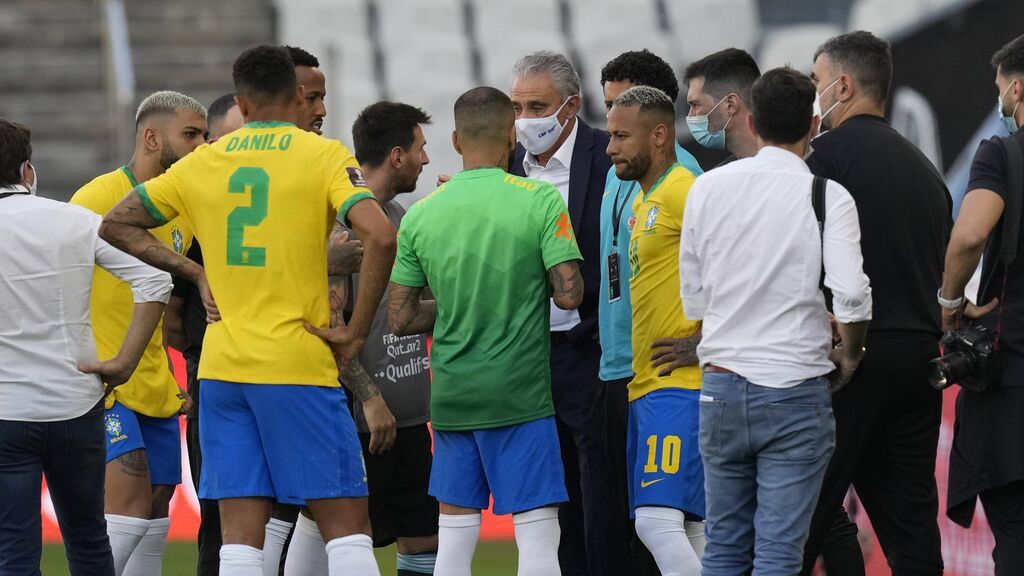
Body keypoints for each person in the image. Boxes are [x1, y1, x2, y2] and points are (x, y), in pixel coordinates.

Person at [97, 45, 397, 576]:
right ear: (298, 95)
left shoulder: (205, 162)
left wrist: (195, 271)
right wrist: (353, 330)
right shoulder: (321, 155)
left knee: (239, 539)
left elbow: (116, 222)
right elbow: (379, 234)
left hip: (222, 372)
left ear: (241, 100)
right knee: (347, 528)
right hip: (296, 366)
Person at [679, 67, 873, 576]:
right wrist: (850, 356)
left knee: (722, 548)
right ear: (813, 124)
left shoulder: (708, 188)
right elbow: (852, 295)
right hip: (795, 389)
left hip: (721, 386)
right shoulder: (828, 196)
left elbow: (694, 300)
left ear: (753, 120)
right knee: (780, 554)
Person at [386, 86, 583, 576]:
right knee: (537, 537)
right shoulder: (538, 200)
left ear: (455, 140)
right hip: (521, 396)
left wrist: (456, 306)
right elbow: (570, 294)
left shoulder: (423, 213)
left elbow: (400, 317)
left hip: (453, 398)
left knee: (453, 542)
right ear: (512, 139)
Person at [800, 31, 953, 576]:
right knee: (911, 532)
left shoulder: (819, 159)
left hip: (849, 357)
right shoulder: (928, 173)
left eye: (816, 83)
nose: (812, 96)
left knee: (798, 523)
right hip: (917, 359)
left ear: (842, 85)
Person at [0, 119, 171, 575]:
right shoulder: (75, 219)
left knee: (14, 554)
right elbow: (154, 280)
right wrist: (124, 362)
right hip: (76, 405)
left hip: (7, 412)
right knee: (90, 543)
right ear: (27, 170)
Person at [284, 102, 438, 576]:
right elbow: (328, 330)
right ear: (396, 155)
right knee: (340, 534)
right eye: (420, 148)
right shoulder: (344, 230)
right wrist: (369, 398)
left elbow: (412, 311)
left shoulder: (399, 215)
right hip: (360, 424)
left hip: (409, 419)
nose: (426, 160)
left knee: (422, 539)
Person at [69, 90, 206, 575]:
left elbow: (167, 306)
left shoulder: (183, 209)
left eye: (206, 135)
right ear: (151, 137)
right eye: (190, 134)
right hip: (104, 380)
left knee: (155, 509)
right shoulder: (96, 198)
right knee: (126, 500)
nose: (202, 145)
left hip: (154, 383)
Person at [508, 50, 618, 576]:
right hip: (527, 359)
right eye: (517, 106)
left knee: (599, 497)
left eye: (537, 105)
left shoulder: (608, 156)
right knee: (545, 504)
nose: (525, 119)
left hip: (591, 351)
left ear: (571, 106)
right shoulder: (504, 165)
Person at [598, 49, 704, 575]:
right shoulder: (644, 199)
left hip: (679, 384)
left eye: (621, 136)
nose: (609, 146)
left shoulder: (687, 190)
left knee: (655, 522)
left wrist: (704, 342)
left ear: (659, 136)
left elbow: (739, 269)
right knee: (693, 528)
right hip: (649, 383)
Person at [940, 33, 1024, 575]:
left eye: (1001, 92)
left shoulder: (1003, 151)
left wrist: (951, 301)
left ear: (1016, 88)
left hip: (1014, 377)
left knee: (1016, 535)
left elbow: (969, 235)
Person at [162, 92, 245, 576]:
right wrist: (198, 355)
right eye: (236, 139)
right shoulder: (192, 215)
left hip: (277, 377)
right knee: (221, 522)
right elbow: (171, 317)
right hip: (213, 382)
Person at [683, 48, 761, 163]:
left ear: (730, 104)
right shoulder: (717, 177)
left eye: (696, 105)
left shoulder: (792, 168)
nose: (690, 115)